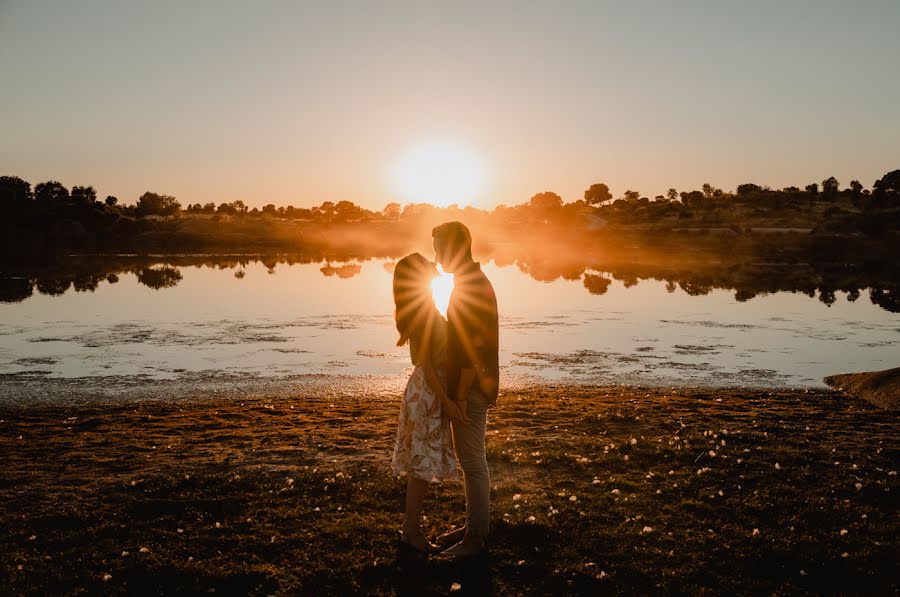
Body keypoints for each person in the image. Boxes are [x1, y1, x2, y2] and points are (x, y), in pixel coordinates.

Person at [390, 252, 468, 556]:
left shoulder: (423, 305)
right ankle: (411, 531)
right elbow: (423, 362)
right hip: (427, 392)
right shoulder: (423, 310)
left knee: (419, 463)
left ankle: (411, 528)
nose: (431, 264)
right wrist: (447, 400)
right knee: (420, 466)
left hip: (423, 391)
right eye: (424, 263)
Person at [431, 221, 500, 558]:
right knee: (470, 458)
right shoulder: (467, 282)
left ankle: (475, 539)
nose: (436, 256)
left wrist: (458, 395)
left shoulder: (472, 286)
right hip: (468, 386)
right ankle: (476, 525)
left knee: (472, 462)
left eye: (439, 248)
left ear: (457, 247)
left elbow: (476, 349)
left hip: (470, 388)